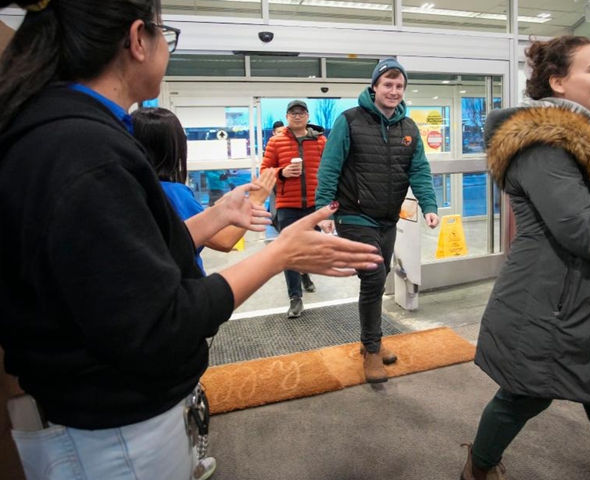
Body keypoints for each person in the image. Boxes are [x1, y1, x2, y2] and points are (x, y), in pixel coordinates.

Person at [0, 2, 382, 480]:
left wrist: (215, 215)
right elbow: (162, 320)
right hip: (113, 430)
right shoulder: (83, 151)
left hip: (106, 415)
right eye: (166, 36)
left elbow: (129, 257)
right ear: (138, 40)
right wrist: (279, 252)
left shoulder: (76, 135)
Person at [461, 35, 590, 480]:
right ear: (557, 81)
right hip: (548, 305)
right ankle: (478, 468)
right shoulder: (543, 145)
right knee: (524, 397)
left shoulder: (586, 140)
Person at [315, 58, 439, 384]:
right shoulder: (350, 120)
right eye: (388, 84)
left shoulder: (409, 128)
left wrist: (429, 205)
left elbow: (419, 171)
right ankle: (372, 350)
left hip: (387, 219)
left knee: (377, 281)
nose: (394, 91)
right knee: (373, 277)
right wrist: (324, 211)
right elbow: (330, 166)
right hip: (354, 214)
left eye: (399, 86)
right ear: (375, 86)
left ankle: (372, 339)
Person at [133, 107, 277, 275]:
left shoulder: (130, 188)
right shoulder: (173, 194)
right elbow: (224, 240)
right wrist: (255, 200)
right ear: (173, 147)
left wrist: (220, 207)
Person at [261, 100, 326, 318]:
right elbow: (264, 171)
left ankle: (304, 271)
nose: (297, 116)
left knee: (310, 250)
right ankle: (295, 298)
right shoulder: (276, 142)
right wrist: (282, 172)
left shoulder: (320, 141)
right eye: (293, 113)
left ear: (307, 116)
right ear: (287, 117)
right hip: (288, 205)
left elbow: (331, 169)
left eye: (301, 112)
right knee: (289, 251)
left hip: (315, 206)